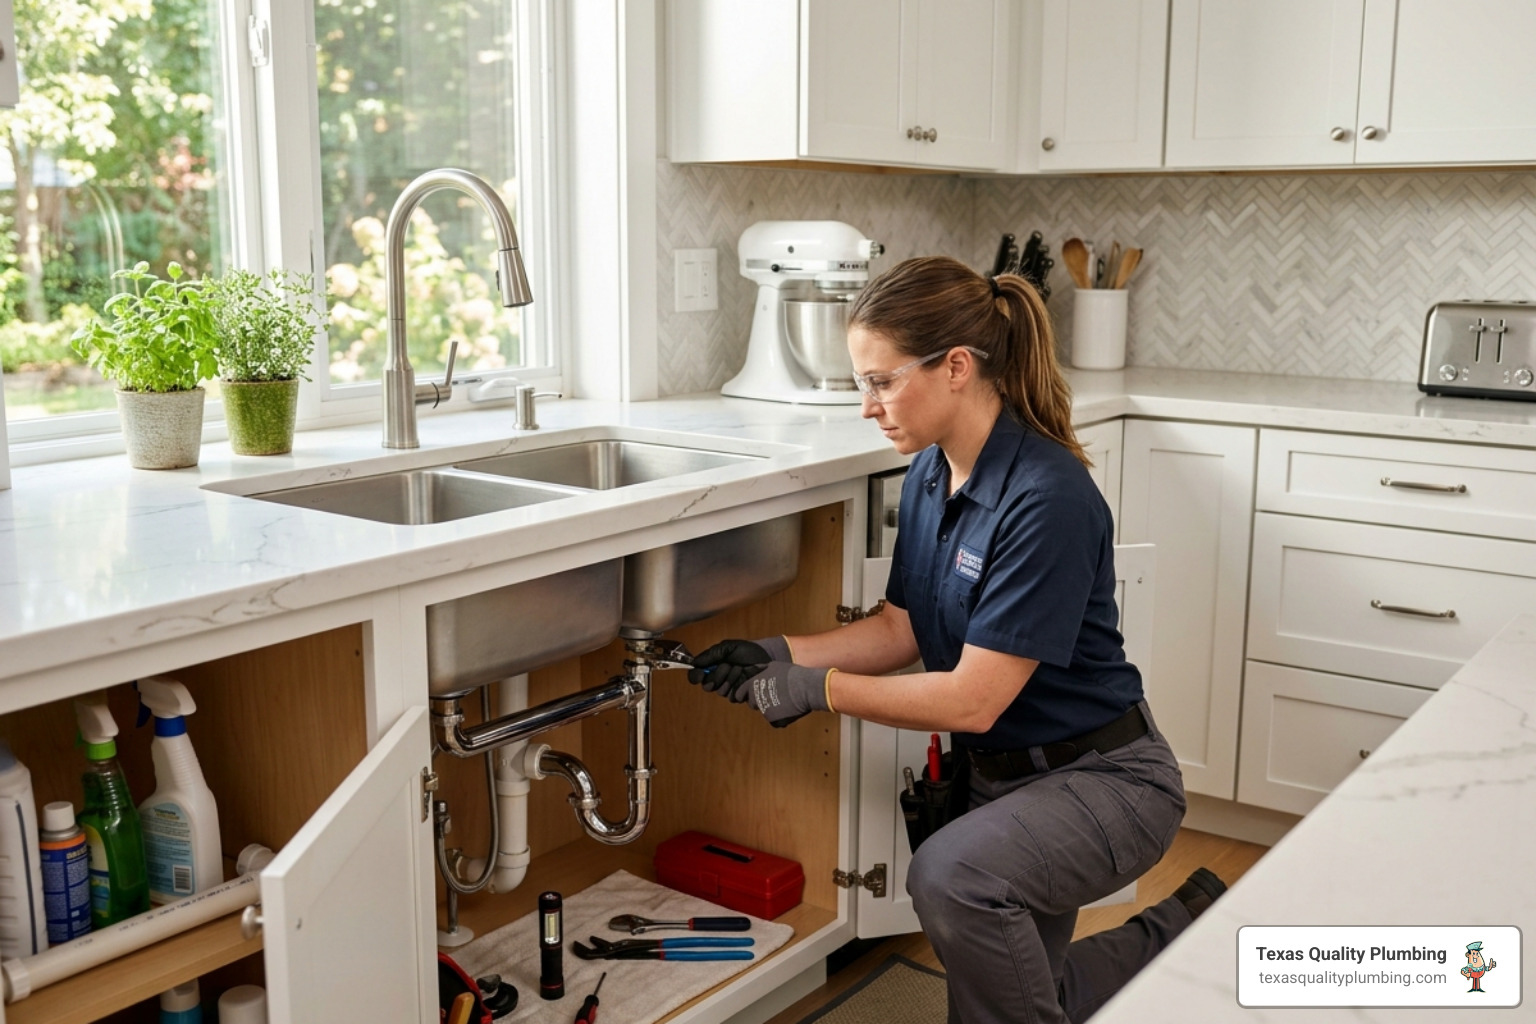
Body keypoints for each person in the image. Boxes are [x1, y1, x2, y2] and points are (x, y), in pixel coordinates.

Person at [688, 256, 1227, 1024]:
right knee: (1028, 998)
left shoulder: (1048, 497)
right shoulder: (930, 476)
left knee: (950, 876)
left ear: (957, 368)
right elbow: (900, 628)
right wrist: (780, 653)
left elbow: (973, 700)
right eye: (860, 383)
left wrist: (814, 691)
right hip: (1005, 787)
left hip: (1108, 783)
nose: (868, 406)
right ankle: (1184, 928)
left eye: (882, 380)